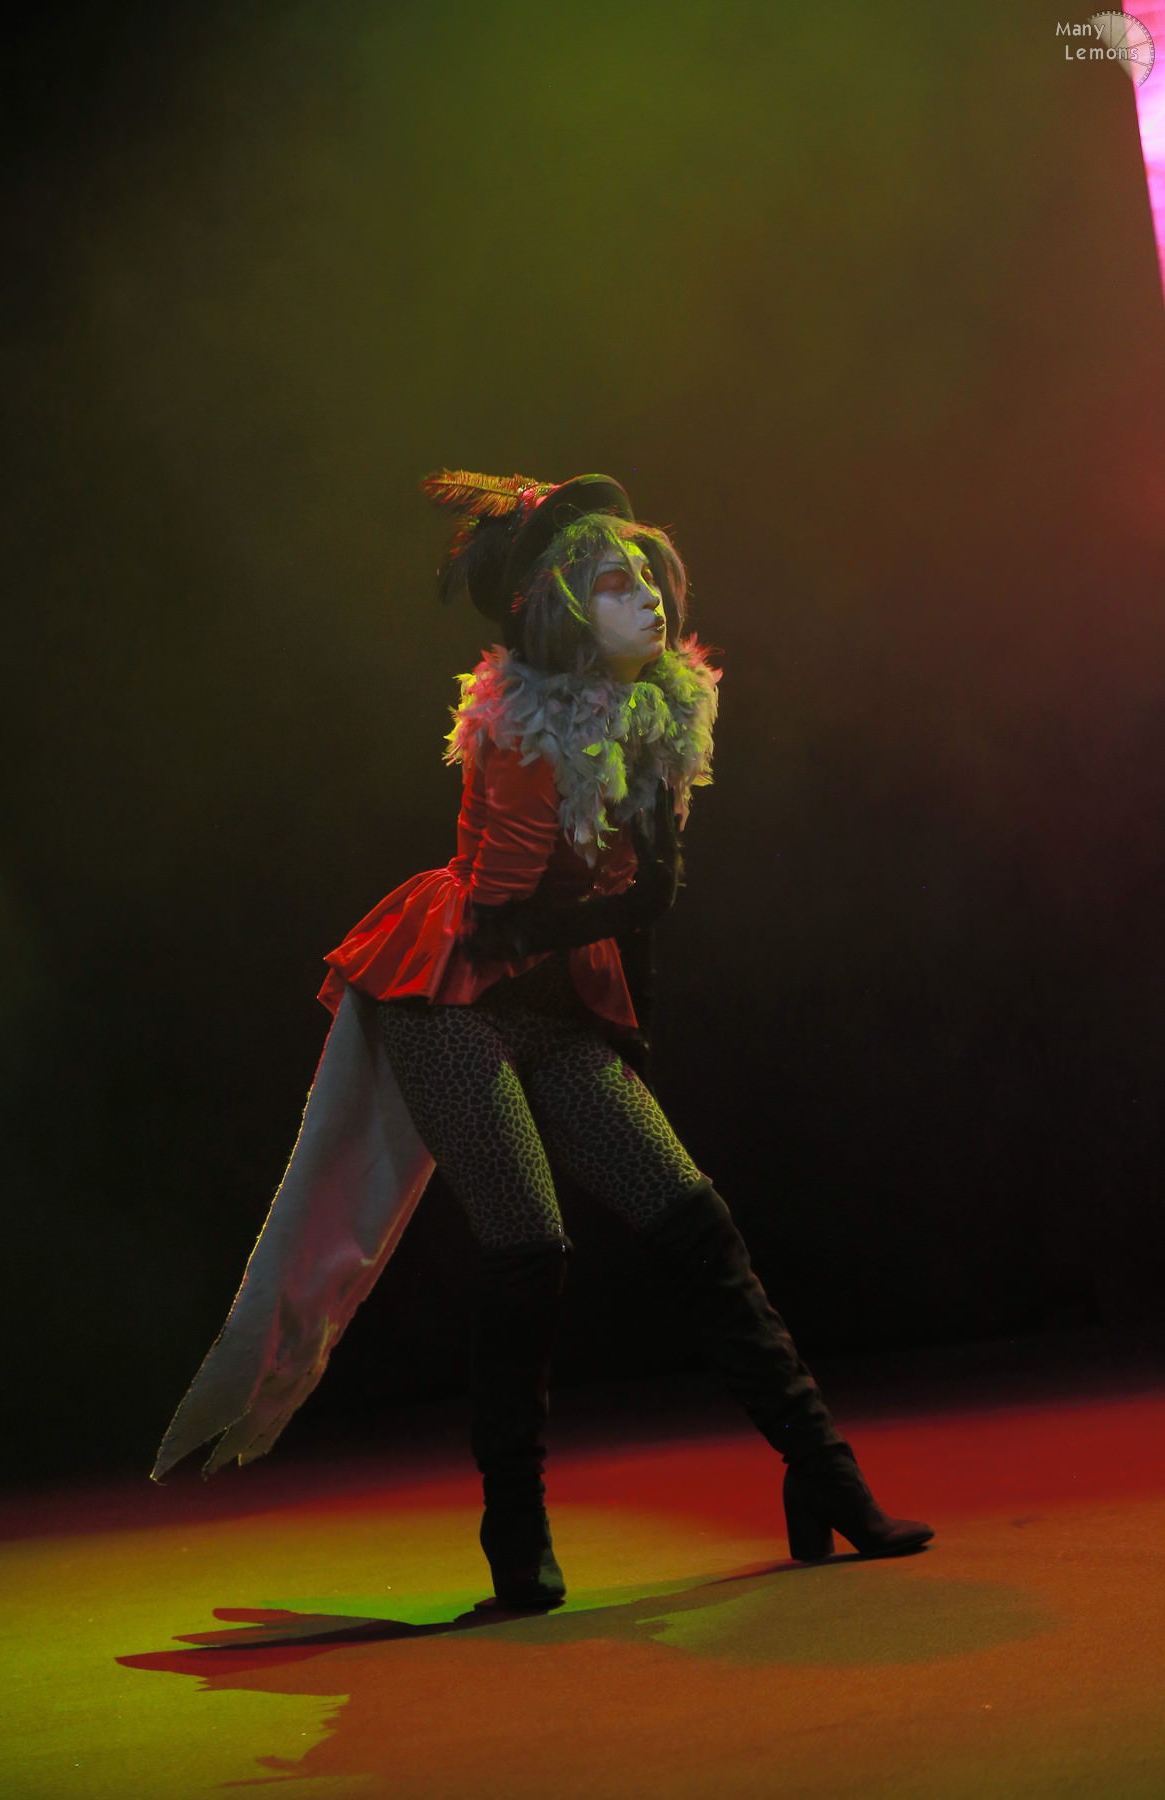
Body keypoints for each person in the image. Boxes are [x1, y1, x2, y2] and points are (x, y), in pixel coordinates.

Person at [153, 468, 932, 1607]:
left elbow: (637, 911)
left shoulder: (662, 711)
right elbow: (503, 919)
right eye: (615, 582)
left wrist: (634, 1020)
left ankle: (825, 1476)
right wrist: (631, 903)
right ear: (563, 609)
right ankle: (516, 1539)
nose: (647, 596)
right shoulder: (519, 732)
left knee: (696, 1224)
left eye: (648, 575)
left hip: (563, 1003)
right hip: (456, 993)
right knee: (530, 1246)